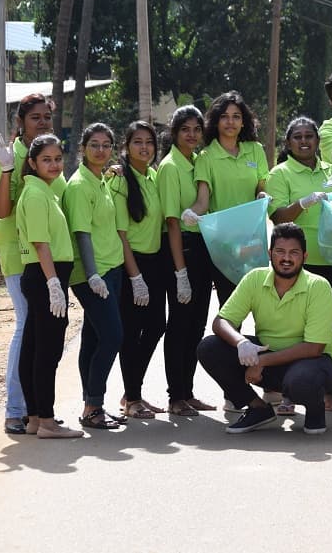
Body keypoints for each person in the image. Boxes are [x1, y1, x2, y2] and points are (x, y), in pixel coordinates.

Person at [197, 223, 332, 435]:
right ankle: (258, 408)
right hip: (269, 356)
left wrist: (261, 361)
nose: (286, 258)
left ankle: (315, 408)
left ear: (305, 256)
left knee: (302, 381)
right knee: (209, 347)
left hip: (313, 362)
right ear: (269, 253)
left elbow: (314, 348)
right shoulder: (255, 278)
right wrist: (242, 343)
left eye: (294, 253)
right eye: (280, 251)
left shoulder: (318, 286)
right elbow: (221, 321)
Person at [266, 116, 332, 414]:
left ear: (318, 142)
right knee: (297, 331)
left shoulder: (331, 172)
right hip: (298, 266)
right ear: (288, 143)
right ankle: (288, 394)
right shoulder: (279, 174)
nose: (304, 141)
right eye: (298, 137)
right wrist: (302, 203)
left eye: (310, 136)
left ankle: (328, 392)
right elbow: (278, 216)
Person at [0, 93, 64, 435]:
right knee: (26, 326)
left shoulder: (50, 154)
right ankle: (15, 410)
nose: (42, 122)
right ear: (21, 121)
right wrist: (6, 169)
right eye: (35, 117)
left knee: (37, 332)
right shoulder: (11, 154)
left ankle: (36, 412)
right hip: (20, 255)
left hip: (48, 257)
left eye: (47, 116)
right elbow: (1, 211)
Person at [15, 134, 82, 438]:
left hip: (45, 275)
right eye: (46, 159)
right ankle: (47, 420)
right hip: (46, 275)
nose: (54, 165)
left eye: (58, 158)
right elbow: (41, 244)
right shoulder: (36, 195)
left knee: (33, 349)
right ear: (32, 163)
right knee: (47, 351)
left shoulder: (45, 190)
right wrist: (54, 284)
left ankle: (33, 418)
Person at [63, 123, 126, 430]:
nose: (100, 150)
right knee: (113, 336)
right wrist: (92, 276)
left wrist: (109, 172)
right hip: (92, 274)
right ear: (82, 148)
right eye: (94, 145)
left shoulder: (100, 179)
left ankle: (93, 404)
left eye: (106, 145)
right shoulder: (78, 186)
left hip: (112, 269)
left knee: (92, 337)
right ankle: (92, 406)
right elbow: (83, 235)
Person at [156, 105, 217, 417]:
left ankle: (188, 391)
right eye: (185, 129)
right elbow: (172, 223)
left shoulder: (196, 162)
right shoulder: (170, 167)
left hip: (201, 249)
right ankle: (175, 395)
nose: (192, 134)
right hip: (180, 251)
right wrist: (180, 271)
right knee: (179, 325)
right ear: (174, 133)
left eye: (196, 129)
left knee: (196, 324)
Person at [185, 91, 269, 305]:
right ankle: (232, 341)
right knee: (230, 307)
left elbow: (261, 186)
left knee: (260, 305)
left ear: (244, 122)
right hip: (223, 245)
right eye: (224, 116)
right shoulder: (206, 157)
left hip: (253, 240)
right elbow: (203, 201)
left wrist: (262, 195)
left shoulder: (256, 150)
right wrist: (190, 213)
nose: (230, 121)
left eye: (236, 116)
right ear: (216, 121)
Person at [110, 121, 166, 419]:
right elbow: (121, 234)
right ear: (126, 146)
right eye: (138, 142)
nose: (144, 147)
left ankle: (132, 390)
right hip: (132, 264)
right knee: (131, 333)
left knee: (157, 325)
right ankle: (132, 398)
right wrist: (136, 276)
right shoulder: (120, 181)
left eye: (149, 142)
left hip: (155, 261)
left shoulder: (154, 176)